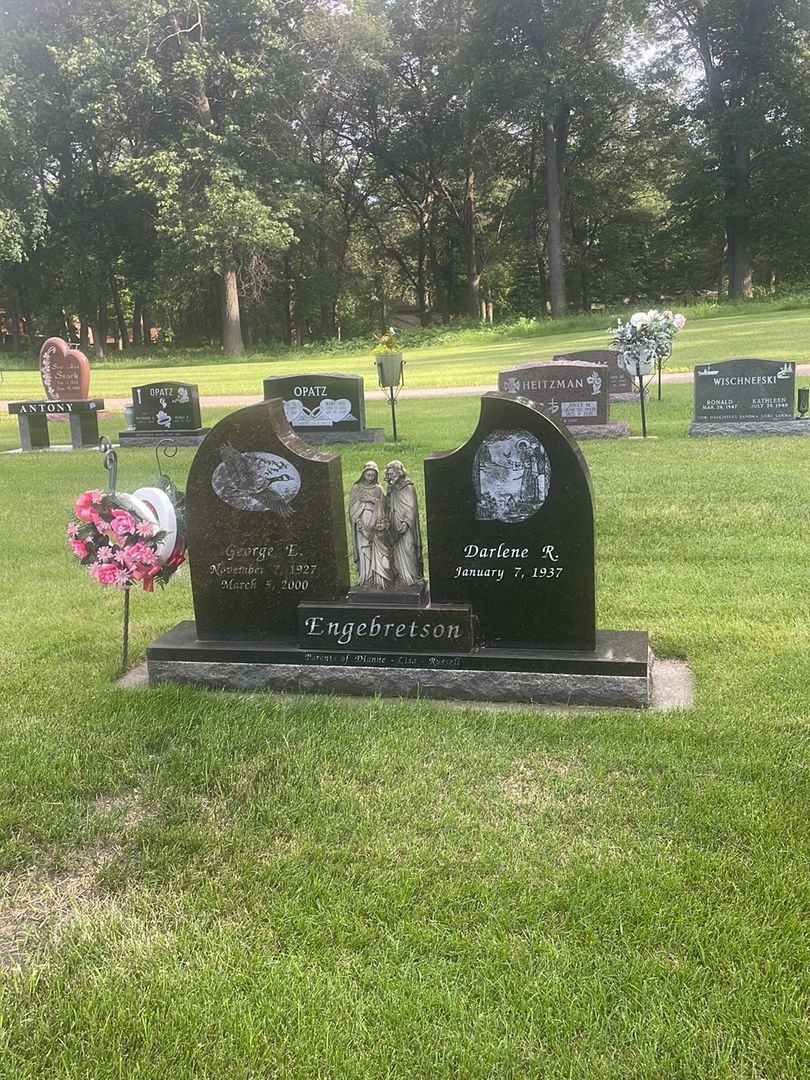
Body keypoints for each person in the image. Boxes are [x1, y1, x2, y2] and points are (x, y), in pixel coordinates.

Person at [348, 462, 392, 589]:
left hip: (375, 525)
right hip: (361, 524)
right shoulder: (356, 488)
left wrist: (372, 500)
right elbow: (352, 507)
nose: (370, 478)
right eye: (368, 475)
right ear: (363, 474)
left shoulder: (378, 489)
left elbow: (385, 506)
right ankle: (366, 576)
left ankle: (376, 576)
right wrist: (357, 520)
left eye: (373, 476)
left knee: (375, 550)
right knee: (364, 549)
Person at [384, 460, 423, 586]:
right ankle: (400, 577)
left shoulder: (408, 488)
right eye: (388, 474)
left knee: (408, 548)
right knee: (396, 551)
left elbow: (411, 508)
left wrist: (406, 523)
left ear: (399, 473)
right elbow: (388, 506)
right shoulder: (391, 489)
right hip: (394, 523)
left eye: (392, 474)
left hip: (407, 525)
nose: (390, 477)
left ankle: (412, 577)